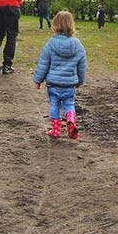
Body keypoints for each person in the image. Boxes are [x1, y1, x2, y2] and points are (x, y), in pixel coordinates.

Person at [33, 11, 86, 140]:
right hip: (69, 84)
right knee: (69, 104)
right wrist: (80, 80)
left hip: (53, 84)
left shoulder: (50, 44)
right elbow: (82, 65)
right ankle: (70, 119)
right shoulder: (78, 45)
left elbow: (43, 64)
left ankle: (56, 130)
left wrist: (38, 80)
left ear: (55, 26)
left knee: (54, 105)